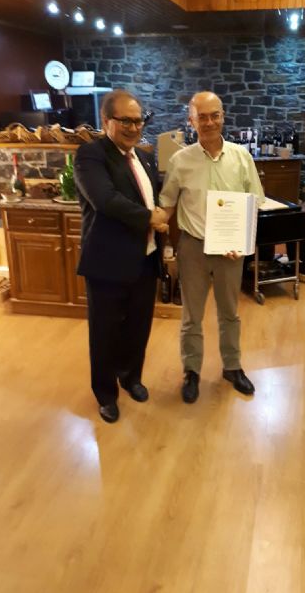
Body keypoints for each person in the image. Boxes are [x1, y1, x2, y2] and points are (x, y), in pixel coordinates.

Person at [160, 91, 265, 403]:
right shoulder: (180, 161)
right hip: (193, 248)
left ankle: (232, 367)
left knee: (230, 313)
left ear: (223, 117)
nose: (209, 122)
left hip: (231, 251)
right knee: (191, 315)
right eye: (201, 117)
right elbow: (166, 205)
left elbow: (254, 204)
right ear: (191, 121)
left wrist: (242, 240)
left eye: (214, 115)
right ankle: (191, 371)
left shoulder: (242, 158)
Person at [74, 89, 168, 423]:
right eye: (125, 121)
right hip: (108, 262)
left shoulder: (144, 157)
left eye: (138, 120)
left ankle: (130, 378)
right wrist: (151, 218)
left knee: (138, 328)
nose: (133, 127)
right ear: (106, 121)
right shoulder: (90, 155)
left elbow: (154, 197)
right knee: (105, 333)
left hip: (145, 259)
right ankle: (105, 394)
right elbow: (105, 200)